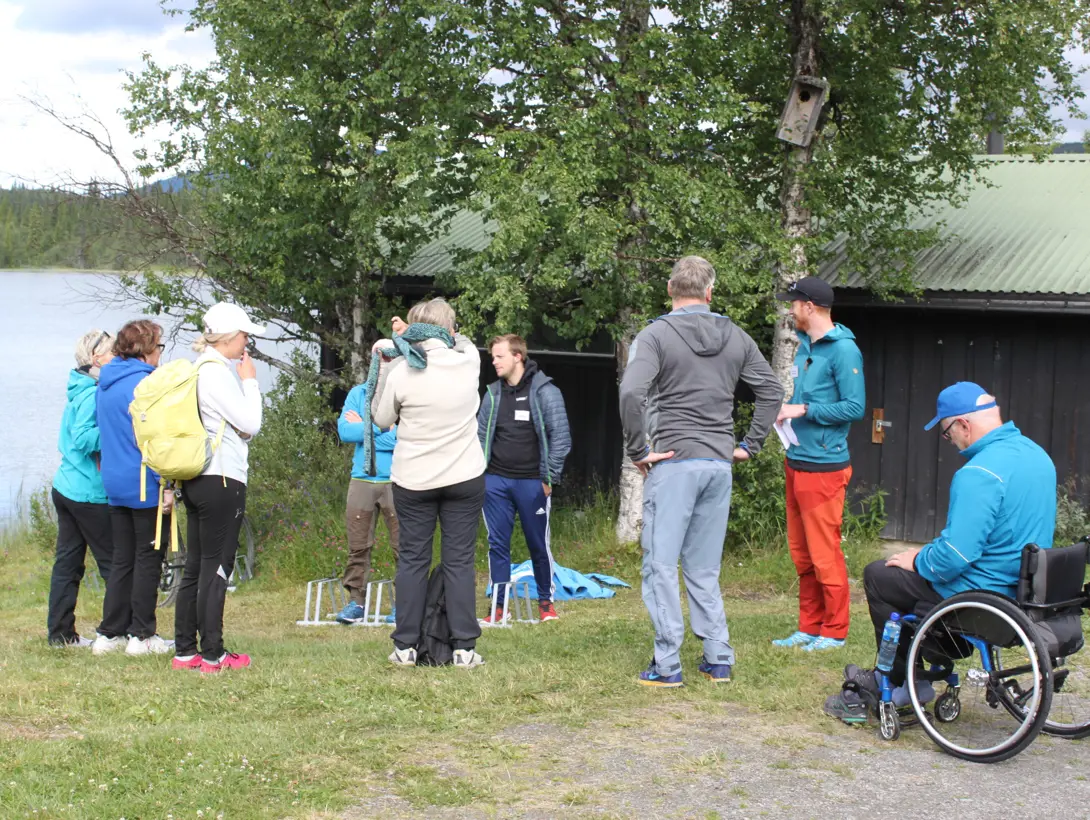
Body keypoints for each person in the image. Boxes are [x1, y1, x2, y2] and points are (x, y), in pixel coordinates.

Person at [823, 382, 1057, 723]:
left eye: (947, 433)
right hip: (1023, 589)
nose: (951, 442)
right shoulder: (1038, 456)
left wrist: (917, 559)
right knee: (905, 571)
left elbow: (954, 558)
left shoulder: (979, 472)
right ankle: (931, 655)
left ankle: (906, 680)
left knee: (880, 575)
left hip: (981, 594)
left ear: (963, 424)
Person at [619, 256, 783, 687]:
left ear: (671, 289)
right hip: (718, 463)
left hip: (673, 462)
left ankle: (667, 663)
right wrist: (751, 444)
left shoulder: (655, 335)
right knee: (704, 568)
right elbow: (772, 390)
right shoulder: (736, 336)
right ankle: (718, 658)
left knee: (660, 564)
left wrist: (639, 450)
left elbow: (632, 391)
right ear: (710, 293)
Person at [370, 298, 487, 669]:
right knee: (459, 562)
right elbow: (462, 339)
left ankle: (405, 646)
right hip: (464, 475)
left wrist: (399, 349)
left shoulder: (403, 371)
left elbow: (381, 419)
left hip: (414, 479)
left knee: (413, 561)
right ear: (448, 329)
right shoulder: (469, 361)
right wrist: (422, 334)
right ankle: (464, 648)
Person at [771, 276, 865, 652]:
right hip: (795, 459)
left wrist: (803, 409)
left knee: (825, 554)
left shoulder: (844, 350)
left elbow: (855, 407)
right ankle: (808, 627)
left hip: (825, 466)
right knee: (802, 554)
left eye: (793, 304)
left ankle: (835, 630)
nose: (789, 310)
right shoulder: (804, 347)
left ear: (809, 307)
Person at [173, 302, 264, 674]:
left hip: (195, 477)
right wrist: (250, 380)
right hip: (222, 478)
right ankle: (213, 653)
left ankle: (185, 652)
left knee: (195, 567)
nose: (247, 344)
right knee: (217, 568)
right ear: (227, 337)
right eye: (244, 336)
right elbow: (251, 422)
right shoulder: (218, 373)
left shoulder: (196, 370)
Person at [92, 320, 174, 657]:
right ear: (146, 350)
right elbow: (155, 440)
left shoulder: (106, 382)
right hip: (143, 482)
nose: (161, 354)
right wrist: (165, 484)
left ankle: (109, 634)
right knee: (148, 558)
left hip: (114, 480)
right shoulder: (145, 385)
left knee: (123, 559)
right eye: (160, 347)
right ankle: (142, 635)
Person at [478, 334, 571, 624]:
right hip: (495, 482)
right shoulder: (492, 393)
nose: (494, 362)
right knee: (497, 544)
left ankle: (546, 603)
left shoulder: (545, 391)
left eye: (499, 356)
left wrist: (549, 478)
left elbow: (561, 438)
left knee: (537, 544)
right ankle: (498, 607)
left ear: (517, 356)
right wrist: (480, 475)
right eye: (492, 357)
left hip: (533, 482)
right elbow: (480, 436)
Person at [46, 329, 116, 647]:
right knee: (114, 564)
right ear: (96, 357)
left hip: (66, 486)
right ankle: (115, 631)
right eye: (113, 350)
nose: (118, 354)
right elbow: (85, 438)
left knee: (68, 564)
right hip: (88, 492)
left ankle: (61, 634)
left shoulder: (80, 385)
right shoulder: (91, 392)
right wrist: (121, 434)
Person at [334, 381, 400, 624]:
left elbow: (403, 438)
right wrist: (383, 429)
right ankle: (356, 603)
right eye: (377, 357)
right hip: (361, 479)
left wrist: (364, 431)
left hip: (397, 479)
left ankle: (404, 604)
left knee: (403, 546)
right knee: (358, 545)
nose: (381, 363)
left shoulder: (403, 390)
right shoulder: (357, 393)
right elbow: (345, 433)